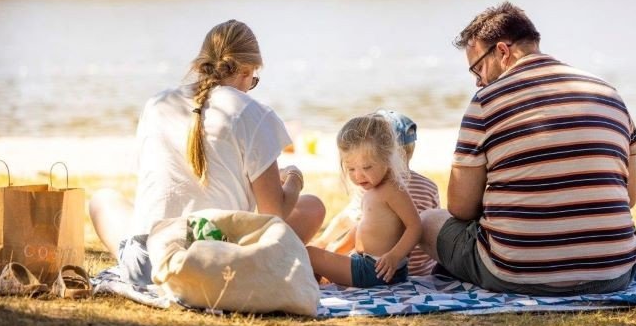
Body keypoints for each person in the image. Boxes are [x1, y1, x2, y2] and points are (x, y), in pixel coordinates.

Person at [420, 2, 636, 296]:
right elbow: (627, 197)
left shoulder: (486, 101)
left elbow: (461, 208)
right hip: (613, 271)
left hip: (516, 273)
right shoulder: (608, 93)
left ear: (502, 51)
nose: (478, 81)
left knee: (427, 220)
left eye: (478, 68)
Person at [89, 20, 325, 286]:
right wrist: (294, 178)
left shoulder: (157, 104)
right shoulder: (252, 113)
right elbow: (275, 214)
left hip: (147, 265)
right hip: (219, 265)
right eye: (254, 79)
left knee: (103, 200)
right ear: (247, 70)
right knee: (313, 207)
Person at [310, 109, 441, 275]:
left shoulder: (389, 189)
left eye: (367, 166)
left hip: (382, 267)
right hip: (420, 269)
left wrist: (395, 256)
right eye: (351, 169)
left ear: (387, 156)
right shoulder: (428, 186)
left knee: (310, 256)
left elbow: (347, 221)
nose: (358, 176)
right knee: (319, 257)